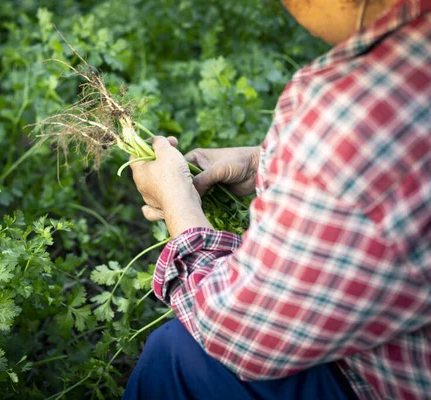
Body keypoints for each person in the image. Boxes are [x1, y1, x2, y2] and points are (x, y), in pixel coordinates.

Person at [124, 0, 431, 399]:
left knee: (178, 358)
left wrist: (179, 209)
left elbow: (240, 331)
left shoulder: (359, 112)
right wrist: (267, 162)